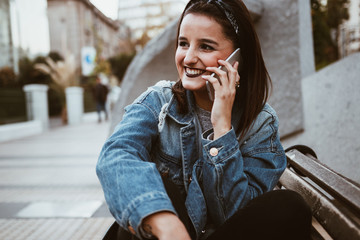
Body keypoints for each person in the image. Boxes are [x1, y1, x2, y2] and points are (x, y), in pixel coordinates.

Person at [96, 0, 312, 239]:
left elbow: (235, 217)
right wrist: (164, 222)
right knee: (158, 190)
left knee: (289, 205)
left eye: (205, 47)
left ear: (237, 57)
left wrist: (222, 127)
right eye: (183, 43)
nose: (188, 58)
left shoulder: (261, 123)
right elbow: (117, 154)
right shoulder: (157, 102)